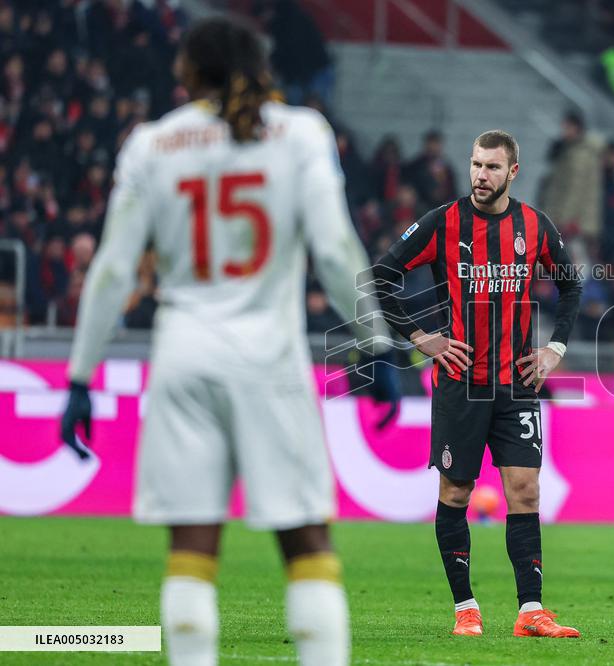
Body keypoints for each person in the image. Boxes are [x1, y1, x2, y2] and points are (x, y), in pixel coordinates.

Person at [59, 17, 399, 666]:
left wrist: (79, 377)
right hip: (269, 360)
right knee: (306, 544)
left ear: (188, 72)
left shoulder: (152, 145)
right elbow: (334, 249)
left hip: (183, 358)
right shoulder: (300, 133)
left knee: (191, 550)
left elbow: (112, 270)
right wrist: (376, 341)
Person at [372, 130, 583, 638]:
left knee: (525, 491)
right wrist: (421, 337)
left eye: (491, 167)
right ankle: (465, 608)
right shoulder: (443, 222)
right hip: (460, 384)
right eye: (475, 165)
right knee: (457, 490)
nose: (480, 175)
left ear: (513, 172)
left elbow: (571, 284)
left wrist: (555, 348)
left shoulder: (534, 225)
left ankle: (531, 611)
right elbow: (382, 274)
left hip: (517, 383)